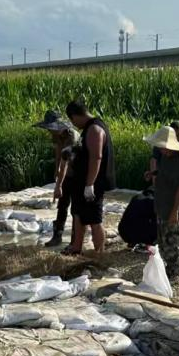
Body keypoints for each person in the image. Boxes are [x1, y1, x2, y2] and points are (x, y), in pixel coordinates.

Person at [64, 99, 116, 256]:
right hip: (82, 181)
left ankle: (99, 253)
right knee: (79, 214)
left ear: (75, 116)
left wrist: (89, 184)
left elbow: (96, 157)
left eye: (72, 120)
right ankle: (76, 247)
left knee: (94, 219)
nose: (74, 124)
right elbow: (85, 151)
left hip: (93, 183)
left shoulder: (94, 129)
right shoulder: (88, 128)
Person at [146, 125, 179, 279]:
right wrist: (153, 173)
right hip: (162, 204)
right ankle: (168, 268)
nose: (161, 150)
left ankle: (175, 272)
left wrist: (174, 212)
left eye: (163, 147)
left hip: (172, 207)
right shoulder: (166, 156)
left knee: (173, 241)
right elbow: (164, 171)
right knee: (164, 239)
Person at [34, 109, 78, 247]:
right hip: (66, 173)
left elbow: (66, 161)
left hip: (77, 174)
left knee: (76, 209)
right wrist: (56, 171)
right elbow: (59, 154)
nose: (50, 131)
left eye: (51, 128)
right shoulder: (56, 135)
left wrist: (59, 185)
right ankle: (57, 236)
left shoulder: (72, 136)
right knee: (62, 205)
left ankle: (75, 240)